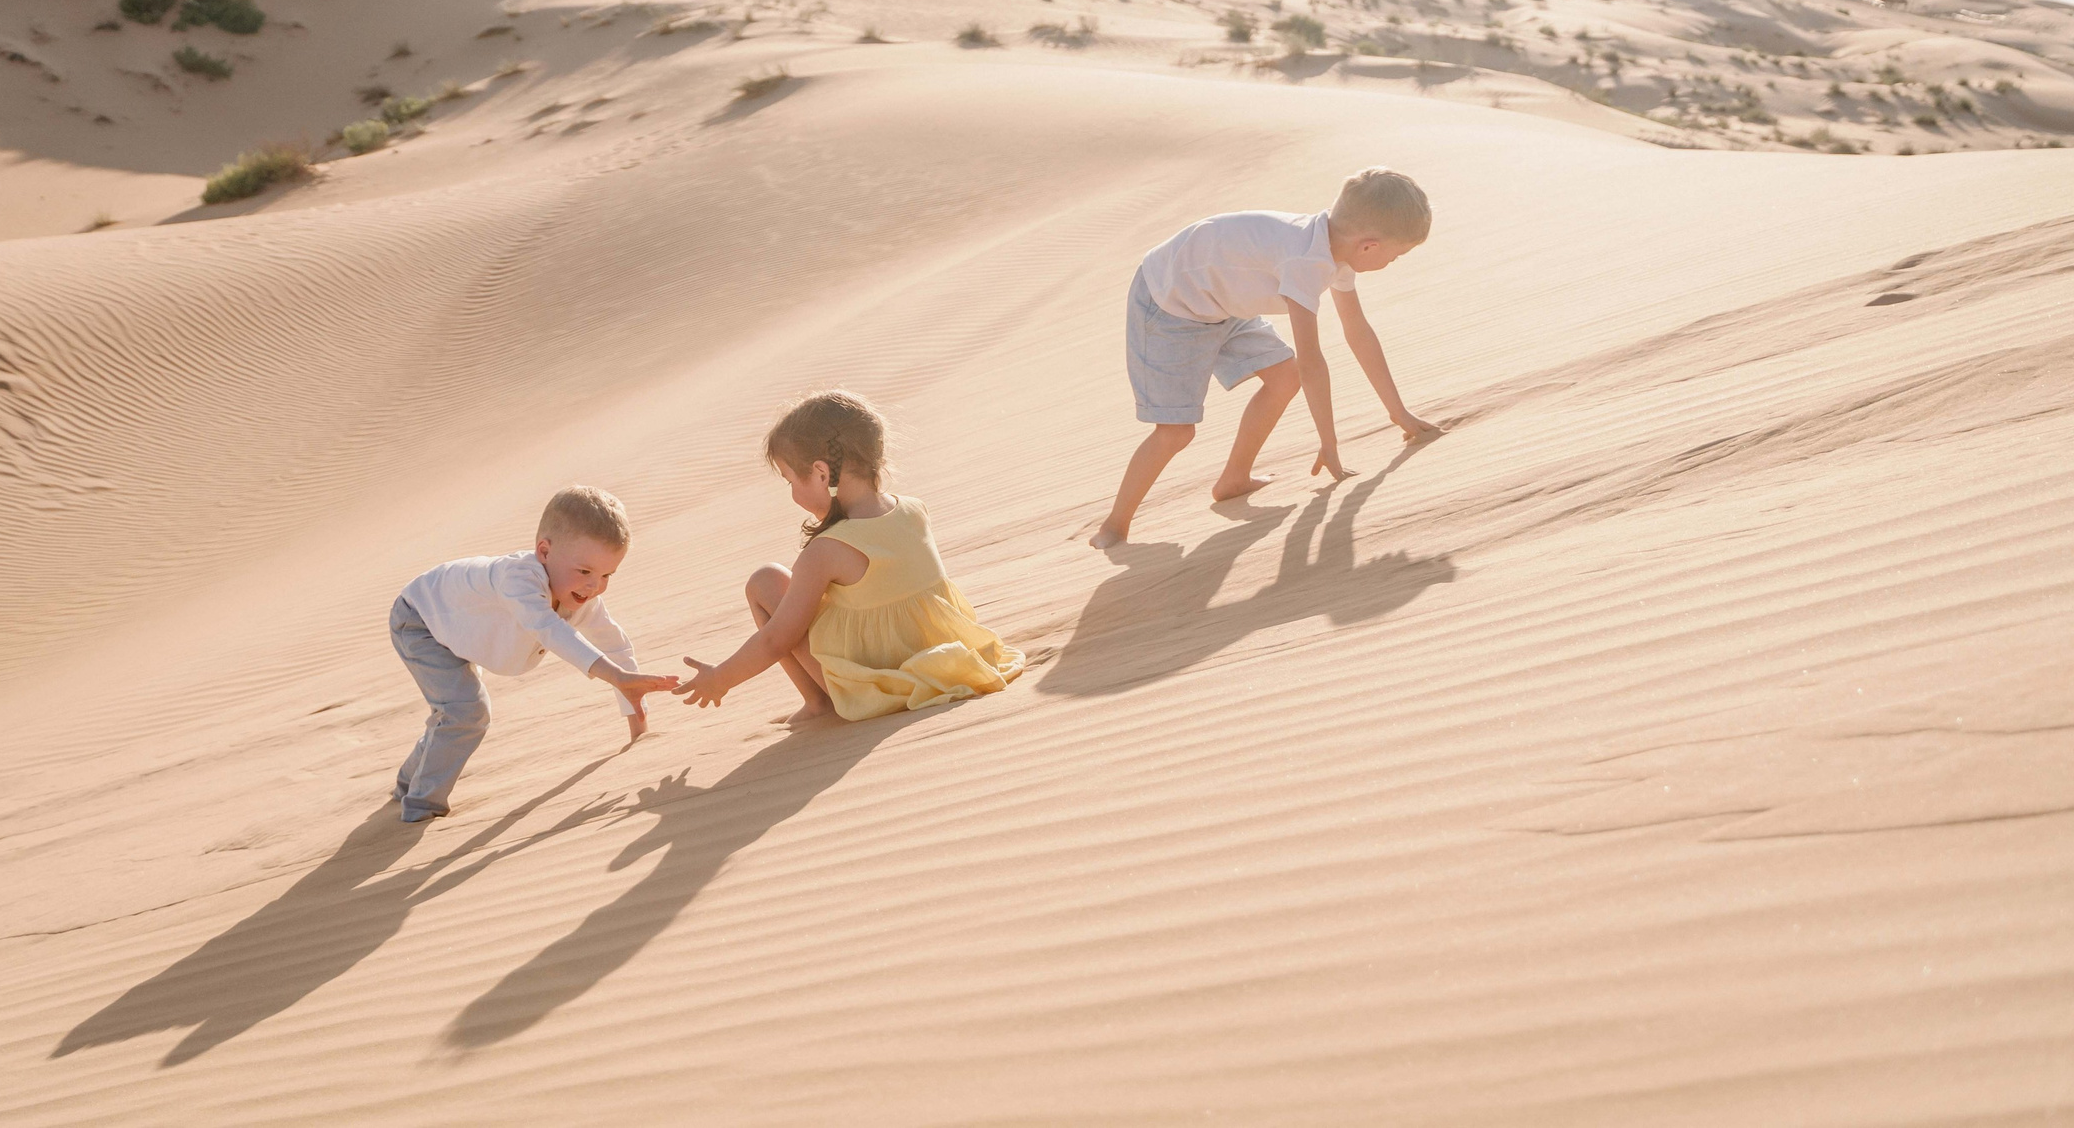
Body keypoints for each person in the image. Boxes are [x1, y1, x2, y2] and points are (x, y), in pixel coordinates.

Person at [1094, 166, 1440, 548]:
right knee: (1176, 431)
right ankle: (1114, 525)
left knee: (1283, 377)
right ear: (1369, 246)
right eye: (1397, 255)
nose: (1394, 263)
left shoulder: (1333, 250)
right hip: (1170, 302)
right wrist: (1329, 443)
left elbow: (1357, 331)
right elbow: (1312, 362)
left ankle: (1233, 479)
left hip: (1223, 298)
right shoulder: (1305, 262)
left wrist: (1398, 412)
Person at [674, 392, 1021, 723]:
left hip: (871, 687)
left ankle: (819, 701)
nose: (793, 493)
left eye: (791, 481)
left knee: (765, 581)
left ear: (822, 474)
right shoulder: (915, 510)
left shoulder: (826, 551)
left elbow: (776, 639)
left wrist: (720, 678)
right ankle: (821, 701)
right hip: (940, 664)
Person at [387, 485, 677, 822]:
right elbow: (548, 630)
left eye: (606, 575)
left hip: (463, 631)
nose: (593, 586)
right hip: (421, 620)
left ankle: (408, 783)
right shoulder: (518, 579)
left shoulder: (582, 599)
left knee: (454, 710)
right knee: (466, 710)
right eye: (584, 571)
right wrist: (616, 676)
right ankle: (421, 807)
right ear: (544, 551)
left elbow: (616, 644)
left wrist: (637, 726)